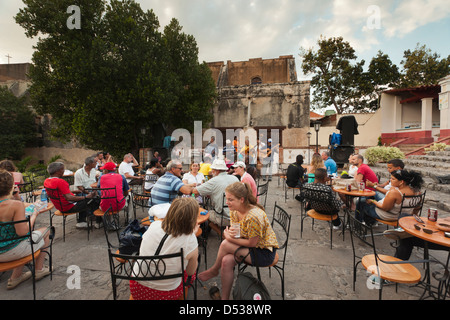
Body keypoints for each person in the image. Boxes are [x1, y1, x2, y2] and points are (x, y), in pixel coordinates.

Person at [198, 181, 279, 300]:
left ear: (241, 199)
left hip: (264, 253)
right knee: (226, 261)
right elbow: (237, 232)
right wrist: (231, 233)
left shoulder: (254, 216)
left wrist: (229, 237)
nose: (227, 203)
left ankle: (215, 269)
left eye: (230, 199)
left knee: (226, 244)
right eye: (227, 198)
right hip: (252, 248)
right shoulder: (235, 210)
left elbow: (252, 243)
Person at [129, 197, 199, 300]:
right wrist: (192, 235)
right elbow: (190, 272)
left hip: (137, 287)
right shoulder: (190, 240)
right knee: (190, 272)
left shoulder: (154, 225)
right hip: (166, 293)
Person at [0, 169, 51, 290]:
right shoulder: (15, 205)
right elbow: (22, 233)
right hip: (11, 251)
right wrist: (34, 215)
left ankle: (15, 277)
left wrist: (16, 196)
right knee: (45, 231)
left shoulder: (13, 203)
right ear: (11, 186)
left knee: (24, 240)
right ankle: (39, 269)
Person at [356, 169, 424, 226]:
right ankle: (370, 222)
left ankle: (358, 224)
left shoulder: (395, 193)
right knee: (374, 195)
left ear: (401, 182)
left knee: (360, 202)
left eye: (393, 179)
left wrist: (372, 201)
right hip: (403, 215)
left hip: (388, 216)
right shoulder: (417, 192)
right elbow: (417, 208)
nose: (390, 180)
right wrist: (410, 216)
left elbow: (384, 208)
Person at [44, 162, 98, 229]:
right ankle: (97, 221)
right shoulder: (60, 182)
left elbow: (59, 192)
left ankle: (83, 220)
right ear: (58, 171)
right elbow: (69, 198)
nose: (64, 171)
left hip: (59, 207)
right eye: (63, 169)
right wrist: (86, 197)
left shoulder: (47, 181)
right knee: (94, 199)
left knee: (82, 196)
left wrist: (74, 191)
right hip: (68, 207)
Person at [192, 159, 239, 232]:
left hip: (224, 217)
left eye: (212, 169)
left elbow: (195, 191)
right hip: (237, 214)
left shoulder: (214, 180)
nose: (211, 171)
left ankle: (222, 235)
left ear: (216, 171)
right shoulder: (235, 178)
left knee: (206, 215)